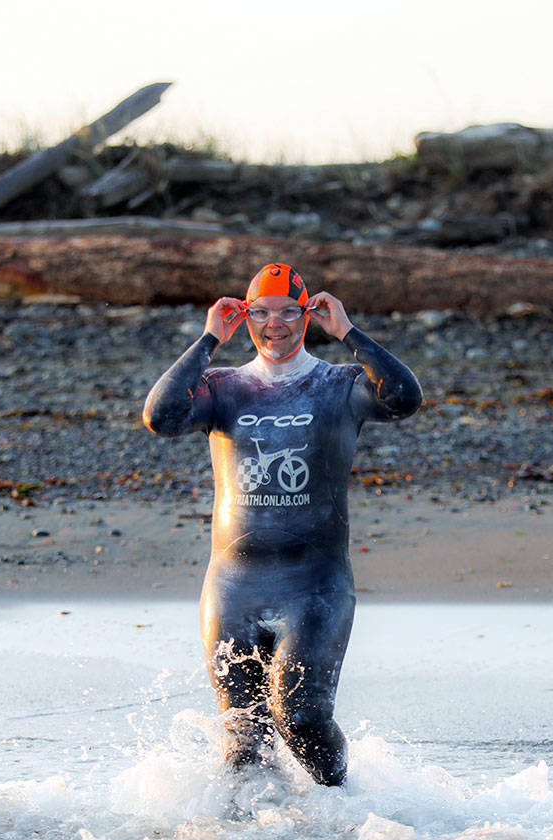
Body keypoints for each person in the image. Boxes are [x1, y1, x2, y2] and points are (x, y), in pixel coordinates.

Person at [142, 263, 422, 786]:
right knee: (243, 739)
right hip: (233, 587)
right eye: (262, 312)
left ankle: (341, 812)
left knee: (302, 721)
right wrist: (208, 339)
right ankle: (252, 826)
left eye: (289, 312)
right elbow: (160, 417)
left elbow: (404, 398)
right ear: (244, 316)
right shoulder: (222, 387)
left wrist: (348, 332)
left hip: (314, 585)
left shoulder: (339, 384)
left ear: (307, 315)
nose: (276, 324)